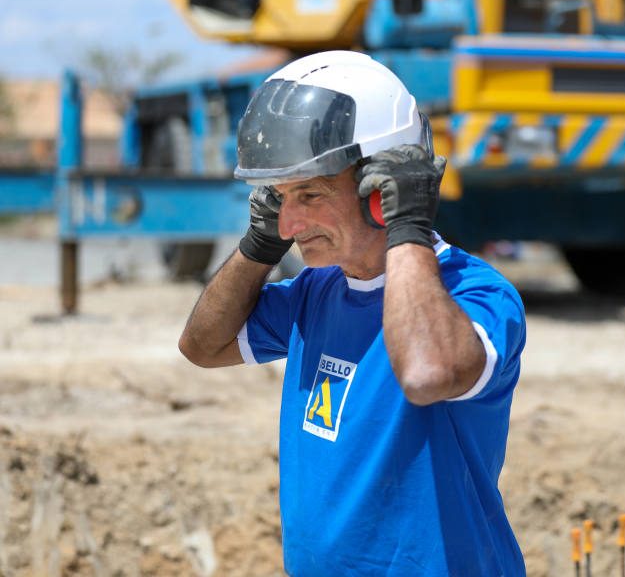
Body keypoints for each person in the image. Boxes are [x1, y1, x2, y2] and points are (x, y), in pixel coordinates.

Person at [179, 51, 527, 576]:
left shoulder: (477, 295)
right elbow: (202, 346)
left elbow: (428, 372)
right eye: (278, 199)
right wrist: (257, 246)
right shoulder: (315, 292)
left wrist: (407, 226)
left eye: (310, 194)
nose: (289, 223)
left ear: (380, 191)